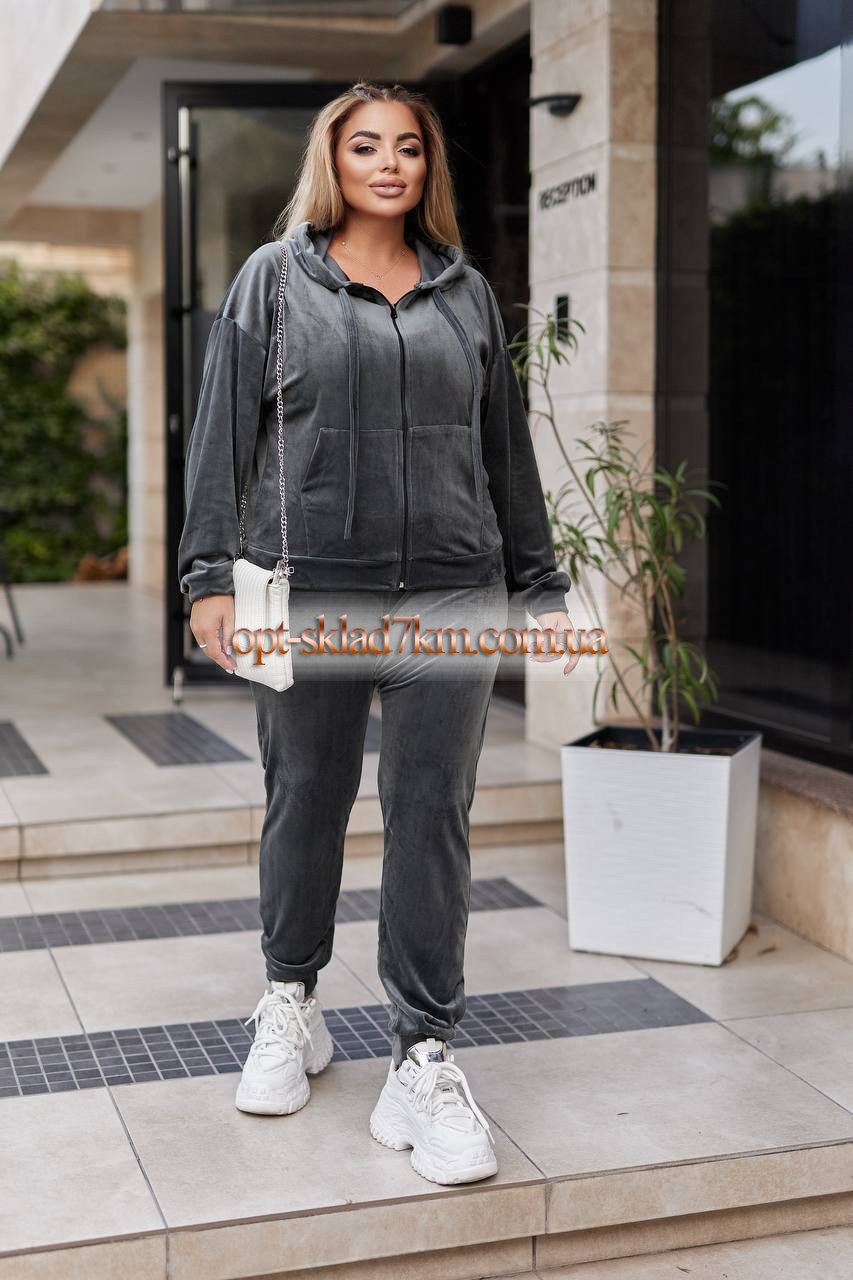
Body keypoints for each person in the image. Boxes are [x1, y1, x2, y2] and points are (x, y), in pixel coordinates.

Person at [177, 80, 580, 1187]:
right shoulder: (273, 280)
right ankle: (289, 999)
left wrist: (539, 589)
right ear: (334, 161)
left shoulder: (466, 294)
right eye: (366, 146)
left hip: (452, 594)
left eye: (408, 146)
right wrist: (207, 576)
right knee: (305, 796)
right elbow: (221, 435)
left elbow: (504, 451)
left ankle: (422, 1053)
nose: (390, 163)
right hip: (308, 591)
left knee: (431, 817)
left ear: (426, 167)